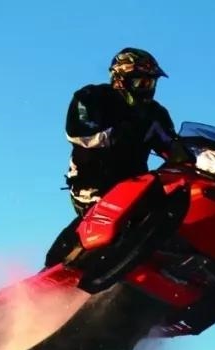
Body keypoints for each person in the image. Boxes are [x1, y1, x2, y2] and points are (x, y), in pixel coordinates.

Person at [45, 48, 190, 266]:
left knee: (174, 201)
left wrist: (190, 155)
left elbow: (170, 144)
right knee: (114, 218)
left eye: (151, 83)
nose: (147, 88)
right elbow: (80, 134)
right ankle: (63, 262)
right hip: (92, 182)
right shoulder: (91, 98)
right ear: (121, 79)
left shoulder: (155, 114)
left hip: (135, 184)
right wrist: (120, 131)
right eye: (141, 82)